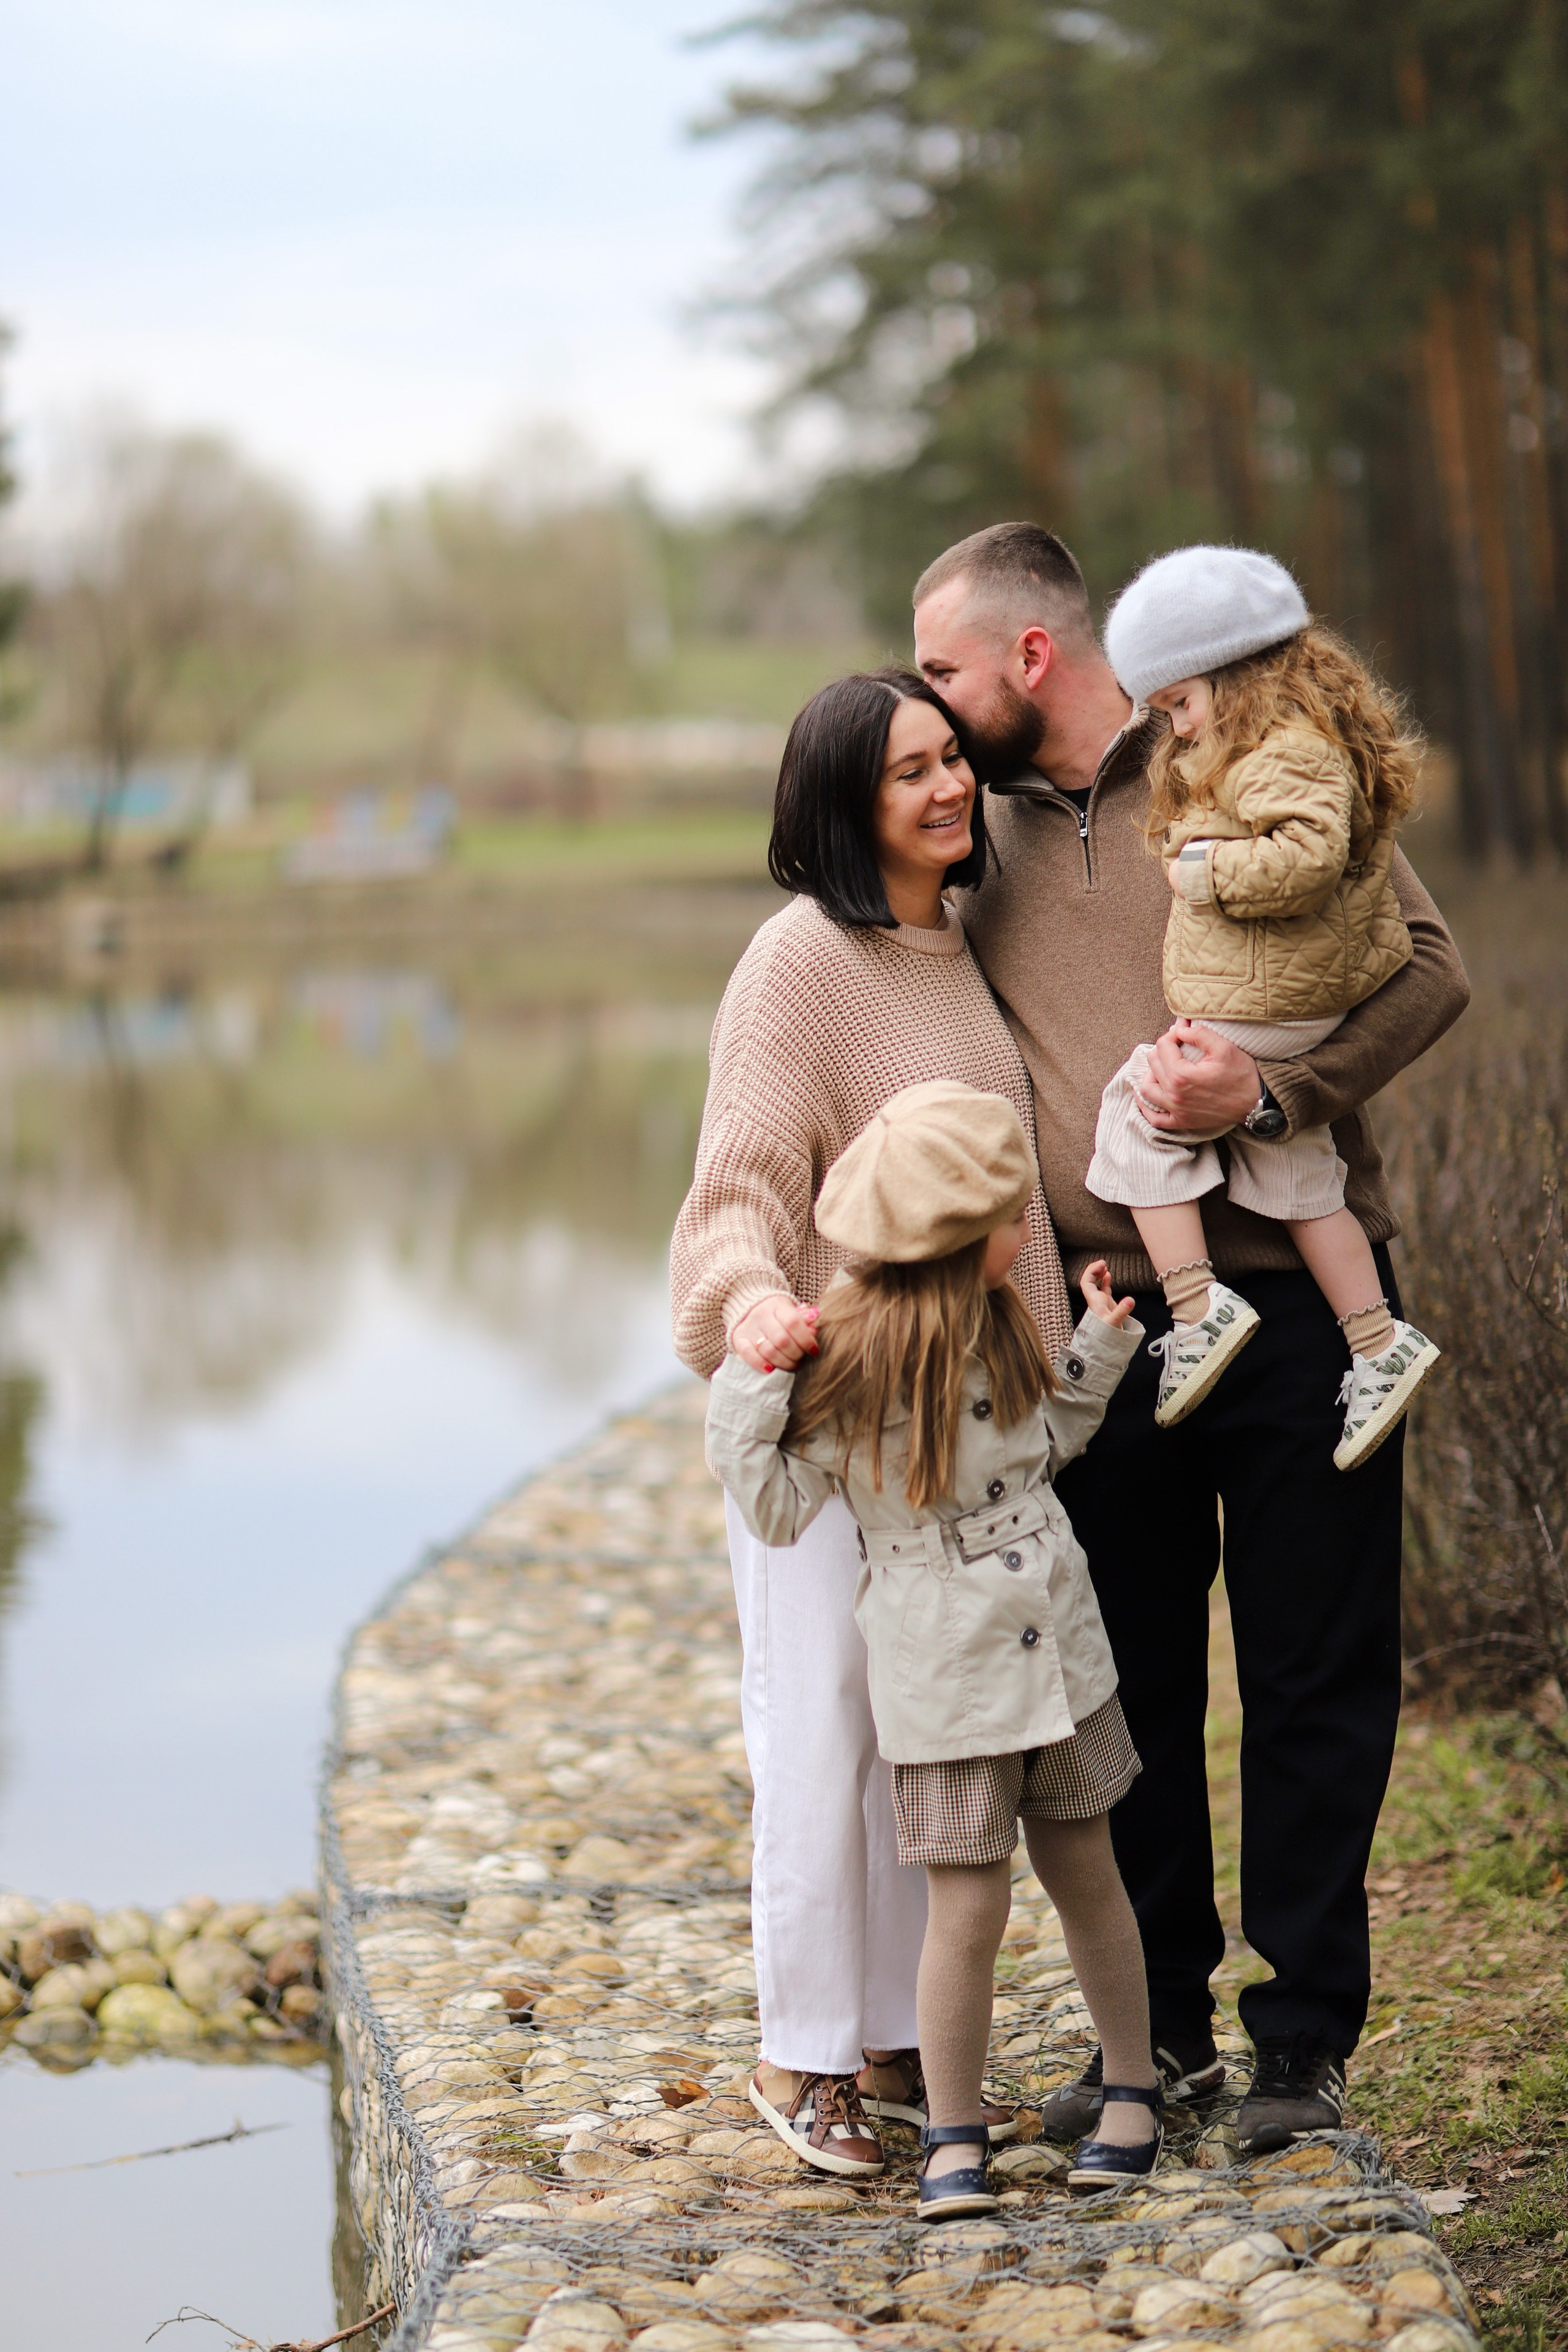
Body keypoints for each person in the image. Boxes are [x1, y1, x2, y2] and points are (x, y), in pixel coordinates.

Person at [911, 522, 1469, 2151]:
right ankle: (1153, 2036)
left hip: (1302, 1310)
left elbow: (1431, 972)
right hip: (1107, 1327)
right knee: (1126, 1694)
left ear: (1032, 657)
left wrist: (1273, 1093)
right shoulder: (975, 834)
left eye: (946, 669)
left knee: (1316, 1679)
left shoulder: (1236, 741)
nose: (931, 713)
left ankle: (1300, 2047)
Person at [669, 668, 1079, 2179]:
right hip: (833, 1410)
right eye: (907, 771)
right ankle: (800, 2055)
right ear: (842, 805)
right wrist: (750, 1313)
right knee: (820, 1723)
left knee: (923, 1721)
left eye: (950, 760)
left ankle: (896, 2037)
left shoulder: (954, 941)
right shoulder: (798, 962)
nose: (947, 787)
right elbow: (738, 1181)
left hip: (955, 1427)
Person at [705, 1080, 1158, 2215]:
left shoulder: (1006, 1321)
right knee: (969, 1904)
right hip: (943, 1678)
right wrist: (752, 1383)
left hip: (1058, 1645)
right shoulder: (847, 1361)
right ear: (965, 1238)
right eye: (1013, 1217)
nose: (1028, 1233)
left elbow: (1047, 1445)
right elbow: (772, 1507)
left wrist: (1098, 1352)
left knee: (1088, 1873)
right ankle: (952, 2133)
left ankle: (1135, 2090)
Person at [1086, 545, 1441, 1469]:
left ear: (1239, 674)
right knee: (1288, 1160)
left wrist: (1200, 870)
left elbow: (1307, 857)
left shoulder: (1284, 751)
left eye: (1179, 702)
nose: (1174, 726)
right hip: (1285, 996)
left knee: (1142, 1102)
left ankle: (1198, 1305)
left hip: (1278, 1001)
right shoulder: (1288, 746)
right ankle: (1375, 1339)